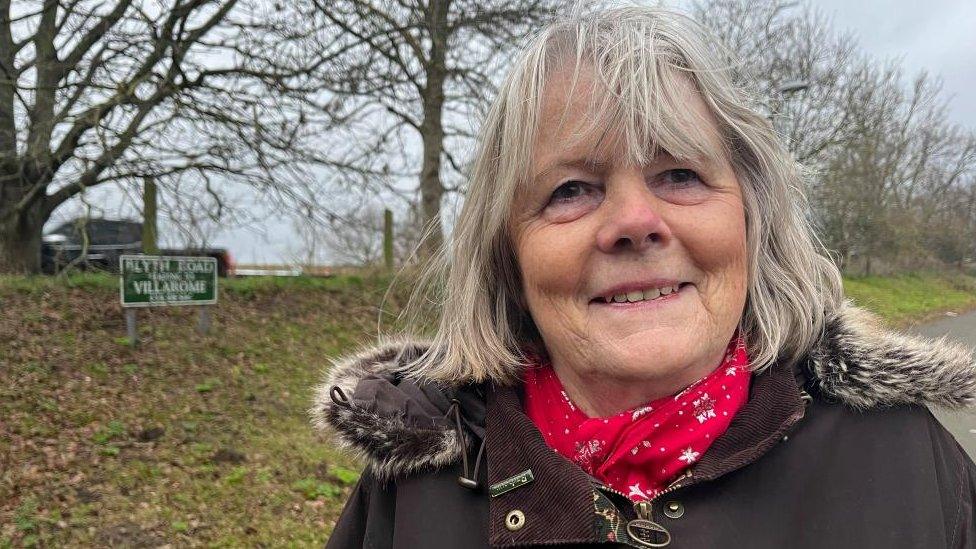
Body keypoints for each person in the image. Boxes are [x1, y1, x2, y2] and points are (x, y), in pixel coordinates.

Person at [312, 6, 976, 548]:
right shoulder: (411, 493)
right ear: (507, 255)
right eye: (571, 188)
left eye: (680, 174)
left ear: (752, 221)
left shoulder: (905, 457)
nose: (634, 221)